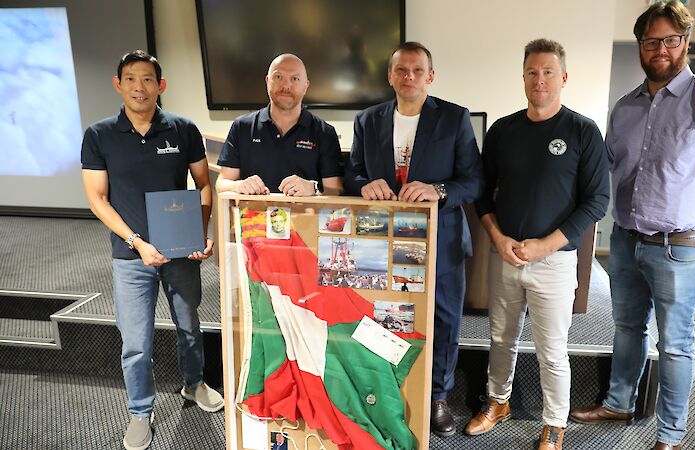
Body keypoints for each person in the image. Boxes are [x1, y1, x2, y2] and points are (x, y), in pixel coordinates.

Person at [568, 3, 695, 450]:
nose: (660, 49)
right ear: (640, 46)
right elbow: (609, 165)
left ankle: (670, 436)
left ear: (686, 44)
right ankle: (618, 403)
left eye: (670, 40)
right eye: (651, 41)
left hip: (682, 248)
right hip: (627, 238)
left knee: (675, 344)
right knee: (626, 328)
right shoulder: (625, 109)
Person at [467, 39, 609, 450]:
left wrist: (547, 245)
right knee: (500, 338)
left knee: (552, 350)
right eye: (532, 72)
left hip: (555, 261)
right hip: (506, 255)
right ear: (524, 78)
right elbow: (483, 193)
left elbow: (597, 200)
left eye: (548, 72)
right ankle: (498, 402)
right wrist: (496, 237)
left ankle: (554, 423)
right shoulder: (502, 131)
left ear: (563, 78)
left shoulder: (583, 131)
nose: (540, 80)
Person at [81, 50, 223, 450]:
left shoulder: (183, 129)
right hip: (131, 257)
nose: (139, 87)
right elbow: (98, 199)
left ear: (161, 86)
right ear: (118, 84)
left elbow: (203, 184)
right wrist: (138, 244)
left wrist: (199, 231)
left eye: (147, 79)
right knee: (136, 341)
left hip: (180, 251)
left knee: (189, 325)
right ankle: (140, 412)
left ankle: (194, 385)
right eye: (131, 79)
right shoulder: (99, 134)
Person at [344, 41, 482, 436]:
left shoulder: (454, 118)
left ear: (430, 76)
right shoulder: (368, 120)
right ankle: (388, 390)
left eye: (417, 71)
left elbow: (473, 181)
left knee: (443, 320)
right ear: (390, 76)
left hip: (441, 243)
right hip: (380, 245)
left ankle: (437, 396)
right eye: (401, 70)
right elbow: (352, 172)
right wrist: (364, 185)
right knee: (383, 319)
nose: (409, 77)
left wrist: (438, 189)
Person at [216, 53, 343, 197]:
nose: (285, 85)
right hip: (253, 218)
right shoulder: (242, 127)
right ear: (267, 81)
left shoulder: (324, 133)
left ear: (306, 85)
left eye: (294, 79)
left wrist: (314, 189)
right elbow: (222, 183)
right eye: (278, 77)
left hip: (305, 218)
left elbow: (336, 191)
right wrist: (239, 185)